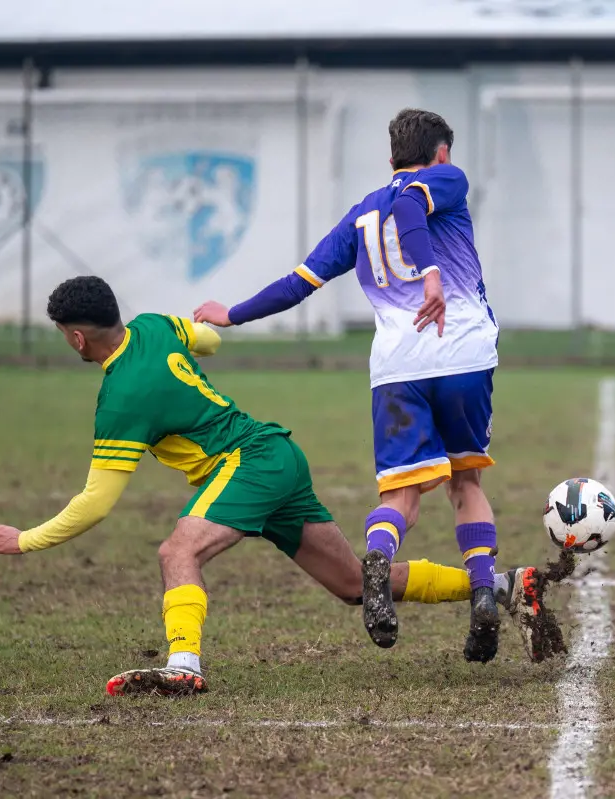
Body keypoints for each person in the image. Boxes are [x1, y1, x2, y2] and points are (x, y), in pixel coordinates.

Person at [0, 276, 546, 696]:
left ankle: (185, 664)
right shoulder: (152, 327)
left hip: (247, 463)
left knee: (179, 550)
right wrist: (195, 335)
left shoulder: (119, 399)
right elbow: (209, 341)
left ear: (75, 339)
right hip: (277, 455)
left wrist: (24, 540)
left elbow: (96, 501)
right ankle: (502, 585)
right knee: (351, 585)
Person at [195, 108, 525, 664]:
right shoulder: (447, 178)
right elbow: (408, 203)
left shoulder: (359, 215)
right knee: (465, 483)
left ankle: (378, 556)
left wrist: (234, 314)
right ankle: (484, 591)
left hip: (398, 366)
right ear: (441, 153)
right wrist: (431, 273)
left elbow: (299, 283)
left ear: (390, 157)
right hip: (462, 350)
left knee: (400, 495)